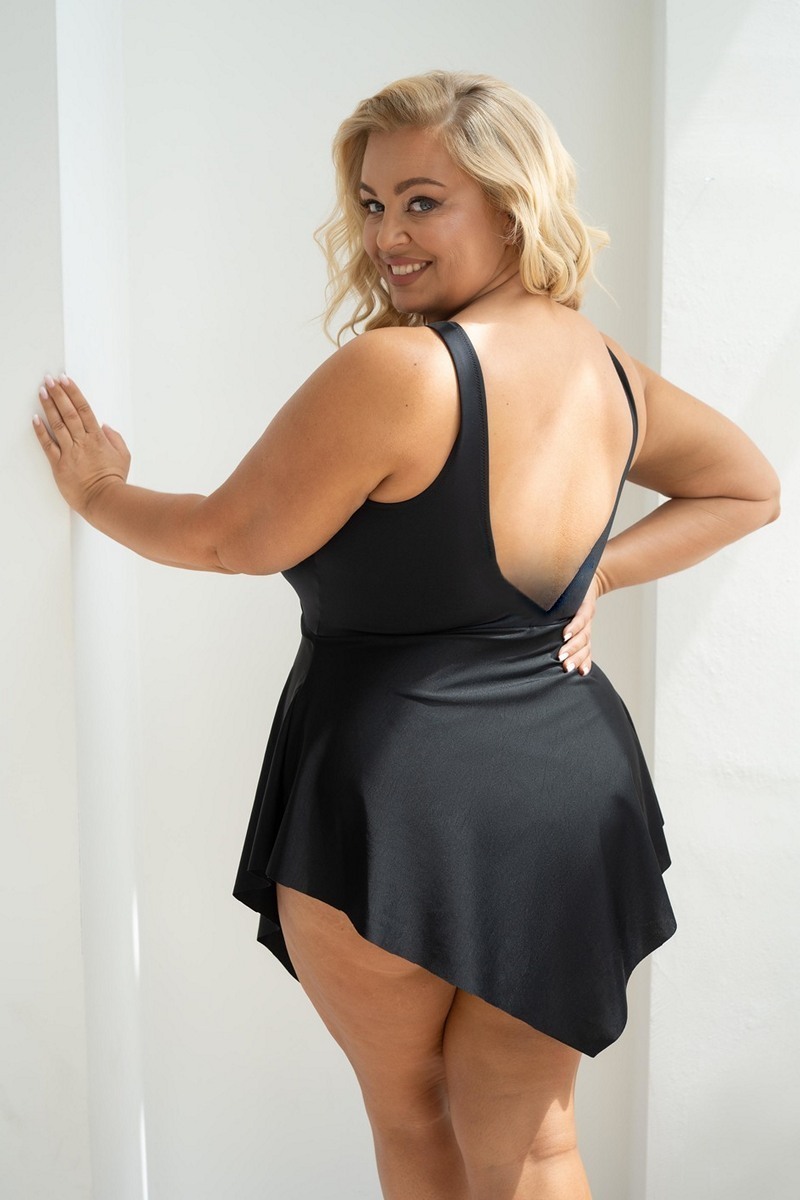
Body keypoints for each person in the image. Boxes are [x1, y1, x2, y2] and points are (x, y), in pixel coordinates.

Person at [33, 69, 779, 1200]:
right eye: (375, 204)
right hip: (569, 791)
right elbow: (747, 486)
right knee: (537, 1145)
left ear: (512, 207)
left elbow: (228, 539)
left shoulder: (399, 371)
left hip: (394, 798)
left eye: (423, 202)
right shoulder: (604, 369)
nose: (387, 235)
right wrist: (597, 572)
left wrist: (97, 493)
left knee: (411, 1117)